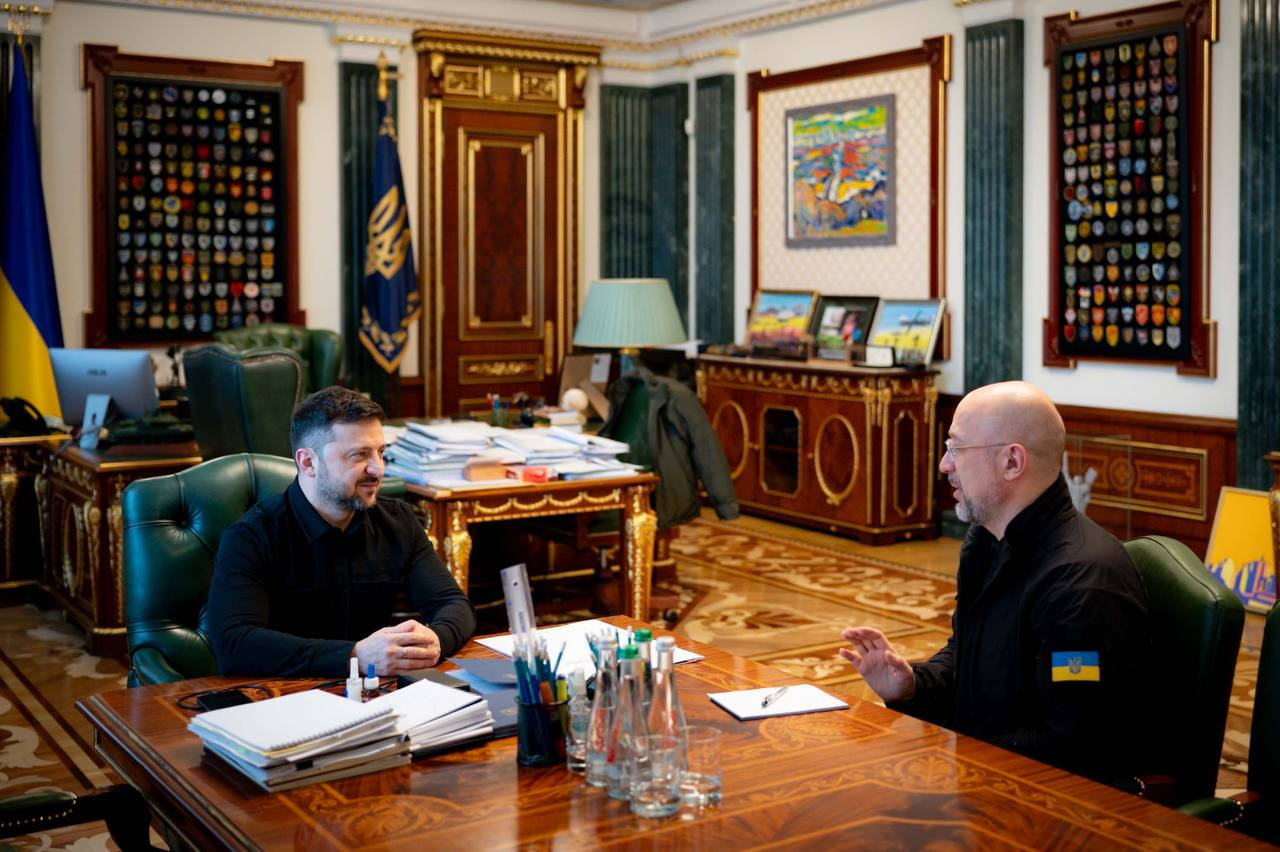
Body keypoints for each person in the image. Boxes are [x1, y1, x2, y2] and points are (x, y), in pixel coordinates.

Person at [839, 381, 1151, 783]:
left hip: (1051, 803)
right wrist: (913, 685)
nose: (944, 465)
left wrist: (957, 758)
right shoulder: (986, 542)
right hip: (983, 778)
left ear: (1012, 462)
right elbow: (966, 656)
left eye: (957, 449)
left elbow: (1071, 747)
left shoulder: (1081, 583)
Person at [207, 386, 476, 678]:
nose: (378, 469)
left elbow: (454, 605)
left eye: (381, 452)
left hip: (378, 693)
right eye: (359, 455)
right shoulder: (251, 537)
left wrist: (436, 640)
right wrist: (354, 656)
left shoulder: (398, 522)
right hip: (285, 694)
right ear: (308, 462)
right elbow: (234, 644)